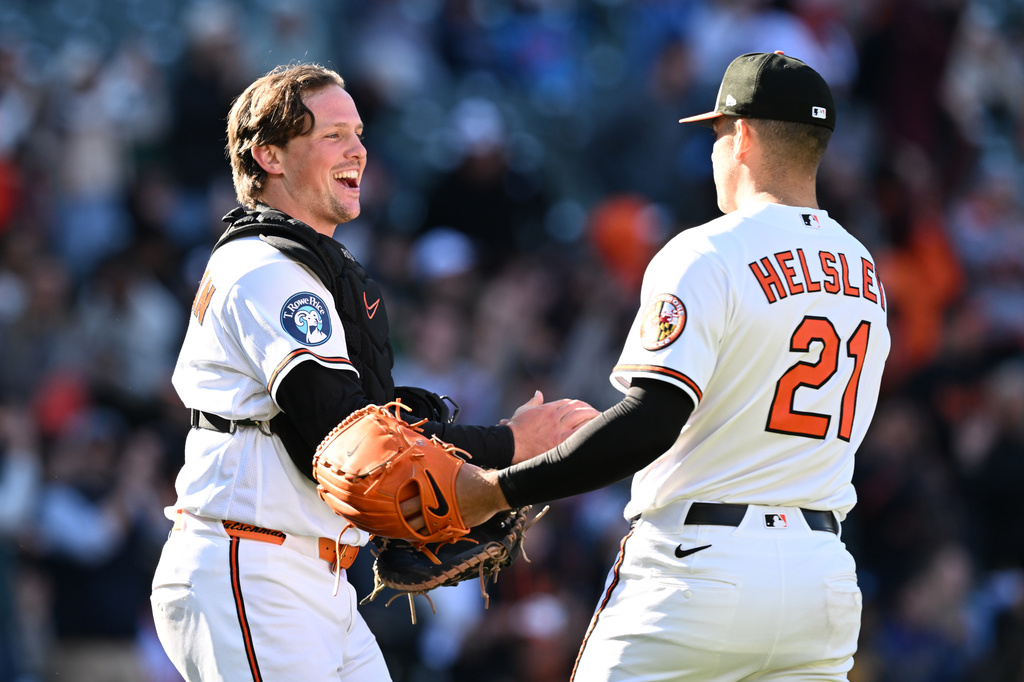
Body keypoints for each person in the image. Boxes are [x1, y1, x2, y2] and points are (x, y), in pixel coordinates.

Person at [449, 52, 891, 681]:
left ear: (741, 136)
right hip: (820, 574)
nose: (713, 149)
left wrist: (502, 488)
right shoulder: (865, 272)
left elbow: (652, 419)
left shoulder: (707, 250)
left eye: (716, 133)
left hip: (701, 565)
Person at [150, 62, 596, 682]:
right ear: (269, 157)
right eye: (333, 134)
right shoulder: (266, 270)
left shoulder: (303, 267)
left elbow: (360, 425)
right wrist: (508, 446)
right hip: (252, 564)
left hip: (312, 573)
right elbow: (347, 438)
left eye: (358, 132)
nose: (358, 147)